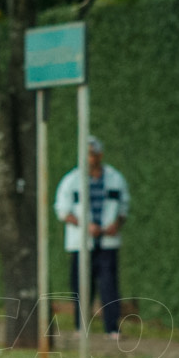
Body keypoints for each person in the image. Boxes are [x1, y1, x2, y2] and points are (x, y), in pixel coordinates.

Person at [54, 136, 130, 338]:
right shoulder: (71, 180)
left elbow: (123, 207)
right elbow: (63, 211)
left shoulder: (115, 178)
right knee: (81, 285)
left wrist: (116, 225)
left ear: (99, 155)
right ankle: (81, 326)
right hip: (81, 243)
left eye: (92, 154)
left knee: (109, 285)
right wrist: (86, 227)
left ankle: (112, 327)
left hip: (107, 243)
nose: (89, 158)